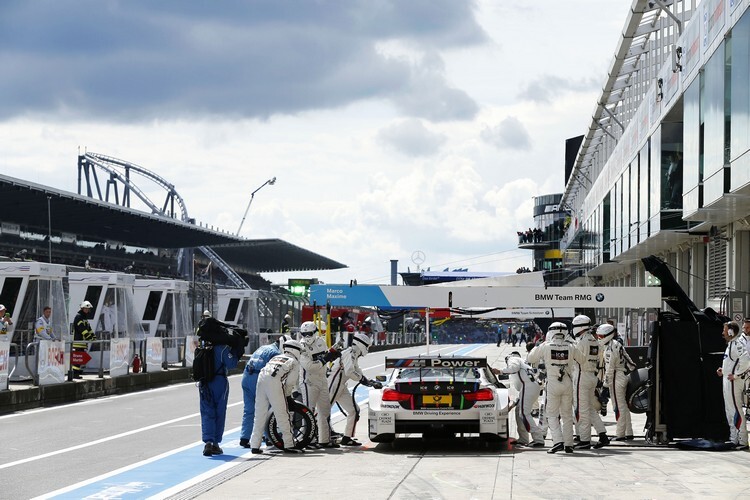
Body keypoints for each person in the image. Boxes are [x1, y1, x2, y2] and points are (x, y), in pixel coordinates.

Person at [527, 321, 582, 454]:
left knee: (552, 414)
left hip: (552, 382)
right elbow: (583, 360)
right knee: (567, 415)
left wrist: (539, 346)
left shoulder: (545, 346)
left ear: (550, 332)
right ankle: (569, 444)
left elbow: (530, 358)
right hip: (567, 382)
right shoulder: (571, 346)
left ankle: (558, 441)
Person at [197, 311, 243, 456]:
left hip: (204, 381)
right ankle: (216, 443)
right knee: (219, 411)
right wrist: (236, 350)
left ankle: (208, 442)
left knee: (206, 411)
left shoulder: (203, 346)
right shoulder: (222, 348)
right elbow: (232, 364)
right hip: (219, 381)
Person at [249, 339, 305, 454]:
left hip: (261, 379)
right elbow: (290, 383)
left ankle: (255, 445)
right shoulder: (293, 361)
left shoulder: (276, 357)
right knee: (282, 414)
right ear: (296, 350)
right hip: (274, 382)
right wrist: (288, 396)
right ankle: (289, 444)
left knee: (259, 414)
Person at [327, 331, 381, 446]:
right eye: (367, 346)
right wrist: (362, 380)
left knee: (354, 410)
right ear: (362, 344)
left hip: (341, 385)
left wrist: (369, 382)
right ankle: (320, 436)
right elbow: (350, 371)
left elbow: (357, 370)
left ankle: (347, 438)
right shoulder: (350, 352)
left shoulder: (354, 354)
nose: (367, 348)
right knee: (324, 411)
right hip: (335, 382)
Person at [238, 334, 289, 448]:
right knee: (266, 409)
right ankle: (268, 437)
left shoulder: (263, 347)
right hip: (258, 379)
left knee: (249, 410)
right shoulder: (276, 353)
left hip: (246, 377)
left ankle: (244, 438)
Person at [298, 321, 340, 448]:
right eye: (304, 334)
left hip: (322, 380)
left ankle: (324, 440)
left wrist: (332, 355)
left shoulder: (321, 341)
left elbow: (325, 356)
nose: (307, 336)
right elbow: (310, 367)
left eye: (309, 333)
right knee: (308, 411)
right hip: (308, 382)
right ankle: (308, 441)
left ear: (315, 332)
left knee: (325, 411)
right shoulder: (301, 346)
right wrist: (326, 359)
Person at [571, 315, 609, 449]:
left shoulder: (581, 341)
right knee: (590, 410)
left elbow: (577, 359)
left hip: (582, 376)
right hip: (592, 376)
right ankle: (603, 435)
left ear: (579, 327)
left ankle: (585, 440)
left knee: (582, 410)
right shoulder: (594, 340)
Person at [492, 351, 544, 447]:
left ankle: (538, 439)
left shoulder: (513, 359)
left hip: (528, 386)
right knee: (518, 411)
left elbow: (513, 368)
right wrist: (512, 405)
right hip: (530, 387)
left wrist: (500, 371)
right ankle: (523, 439)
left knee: (524, 413)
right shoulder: (523, 362)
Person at [597, 323, 636, 441]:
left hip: (615, 378)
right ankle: (628, 432)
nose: (599, 338)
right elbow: (631, 363)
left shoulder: (610, 348)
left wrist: (604, 386)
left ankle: (620, 434)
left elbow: (609, 370)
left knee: (618, 407)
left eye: (601, 336)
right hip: (622, 375)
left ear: (608, 335)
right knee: (623, 405)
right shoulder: (617, 344)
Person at [716, 321, 749, 450]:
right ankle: (733, 438)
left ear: (730, 332)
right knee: (730, 410)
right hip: (727, 381)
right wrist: (723, 371)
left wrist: (735, 375)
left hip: (733, 382)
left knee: (736, 409)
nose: (723, 333)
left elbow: (746, 362)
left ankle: (742, 440)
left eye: (725, 330)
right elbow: (732, 362)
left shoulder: (737, 344)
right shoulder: (731, 345)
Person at [72, 301, 96, 378]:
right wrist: (89, 337)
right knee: (78, 358)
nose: (87, 310)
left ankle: (77, 371)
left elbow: (89, 328)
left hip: (83, 342)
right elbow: (82, 329)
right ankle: (75, 373)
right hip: (78, 341)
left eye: (88, 309)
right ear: (82, 308)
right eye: (86, 308)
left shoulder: (84, 318)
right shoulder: (78, 317)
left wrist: (93, 336)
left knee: (80, 357)